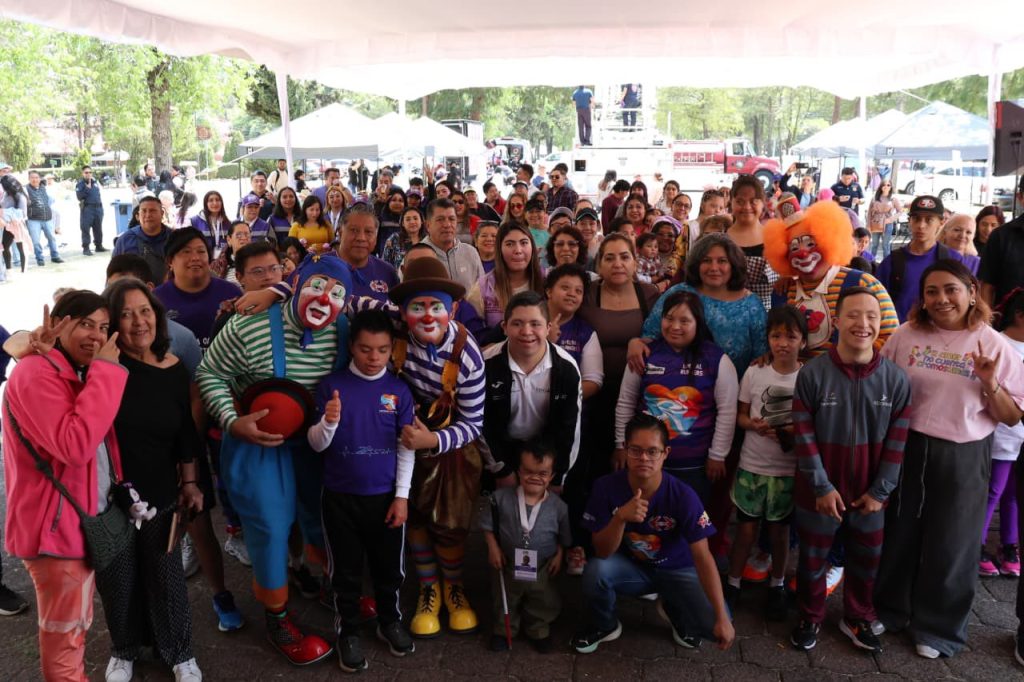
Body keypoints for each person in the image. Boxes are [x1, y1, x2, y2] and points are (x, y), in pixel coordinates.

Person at [197, 252, 356, 665]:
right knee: (269, 525)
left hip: (317, 444)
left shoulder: (346, 326)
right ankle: (277, 618)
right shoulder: (248, 325)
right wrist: (233, 421)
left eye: (337, 293)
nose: (325, 298)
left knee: (324, 518)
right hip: (259, 444)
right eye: (316, 286)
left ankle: (329, 586)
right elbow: (210, 373)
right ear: (297, 284)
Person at [875, 261, 1024, 659]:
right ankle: (890, 610)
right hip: (907, 448)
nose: (941, 299)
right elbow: (883, 383)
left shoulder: (992, 343)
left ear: (971, 292)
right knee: (900, 532)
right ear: (922, 299)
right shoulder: (906, 334)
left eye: (951, 289)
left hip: (963, 453)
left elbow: (1012, 416)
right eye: (932, 291)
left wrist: (990, 382)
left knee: (953, 543)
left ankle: (938, 629)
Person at [2, 291, 125, 681]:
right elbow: (75, 445)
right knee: (65, 640)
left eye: (103, 327)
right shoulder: (36, 373)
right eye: (85, 324)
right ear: (58, 323)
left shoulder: (61, 369)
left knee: (73, 632)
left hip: (68, 526)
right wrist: (106, 372)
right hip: (54, 533)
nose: (96, 335)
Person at [789, 286, 912, 654]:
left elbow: (897, 443)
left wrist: (880, 492)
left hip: (870, 496)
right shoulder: (812, 375)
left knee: (866, 560)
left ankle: (857, 616)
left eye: (872, 316)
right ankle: (810, 615)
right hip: (819, 493)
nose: (863, 323)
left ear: (881, 323)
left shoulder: (896, 380)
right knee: (812, 559)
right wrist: (821, 487)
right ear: (837, 321)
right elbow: (804, 438)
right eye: (854, 315)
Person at [98, 279, 206, 682]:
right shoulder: (103, 370)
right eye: (126, 314)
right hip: (110, 497)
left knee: (167, 577)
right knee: (118, 579)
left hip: (161, 491)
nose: (138, 322)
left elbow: (185, 432)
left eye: (144, 311)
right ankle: (124, 651)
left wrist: (190, 483)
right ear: (114, 323)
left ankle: (180, 654)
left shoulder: (173, 368)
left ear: (157, 316)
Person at [307, 309, 417, 672]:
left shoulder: (399, 390)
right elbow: (316, 444)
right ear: (352, 346)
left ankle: (390, 621)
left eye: (382, 350)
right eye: (365, 349)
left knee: (390, 570)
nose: (374, 358)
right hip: (339, 497)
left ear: (392, 349)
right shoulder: (331, 386)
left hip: (386, 499)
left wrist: (402, 496)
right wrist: (329, 421)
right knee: (346, 572)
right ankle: (349, 632)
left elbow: (406, 447)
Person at [573, 413, 735, 653]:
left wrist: (721, 617)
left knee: (716, 628)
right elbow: (602, 551)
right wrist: (620, 518)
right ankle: (605, 625)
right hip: (633, 569)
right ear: (625, 449)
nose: (644, 458)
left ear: (665, 453)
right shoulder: (605, 487)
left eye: (652, 451)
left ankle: (673, 606)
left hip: (677, 570)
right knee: (596, 571)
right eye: (635, 450)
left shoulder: (683, 495)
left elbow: (703, 557)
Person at [385, 257, 486, 639]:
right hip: (403, 441)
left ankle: (454, 588)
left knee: (451, 523)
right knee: (414, 519)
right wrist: (276, 290)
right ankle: (429, 588)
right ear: (401, 311)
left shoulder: (468, 356)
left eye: (436, 306)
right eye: (417, 307)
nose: (428, 315)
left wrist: (434, 440)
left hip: (452, 447)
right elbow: (350, 300)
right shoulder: (393, 330)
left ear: (453, 309)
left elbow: (474, 424)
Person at [616, 289, 738, 504]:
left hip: (695, 465)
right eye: (669, 318)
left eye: (684, 321)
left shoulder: (717, 359)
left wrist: (718, 455)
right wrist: (620, 445)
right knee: (643, 519)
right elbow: (626, 403)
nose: (675, 326)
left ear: (698, 323)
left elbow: (727, 411)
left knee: (689, 519)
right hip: (645, 461)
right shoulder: (644, 354)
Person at [724, 306, 807, 620]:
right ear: (768, 339)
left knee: (780, 533)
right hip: (752, 466)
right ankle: (732, 584)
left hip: (786, 470)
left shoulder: (808, 377)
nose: (782, 343)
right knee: (745, 531)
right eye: (776, 336)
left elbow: (813, 423)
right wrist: (753, 425)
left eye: (791, 337)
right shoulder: (754, 372)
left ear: (803, 341)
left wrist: (792, 432)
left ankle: (777, 585)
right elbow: (740, 415)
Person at [764, 196, 898, 357]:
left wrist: (857, 360)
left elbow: (891, 337)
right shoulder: (783, 291)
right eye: (793, 248)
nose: (802, 253)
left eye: (810, 244)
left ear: (829, 242)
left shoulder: (864, 283)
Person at [482, 291, 582, 486]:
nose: (526, 331)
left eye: (535, 324)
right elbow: (482, 424)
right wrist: (500, 469)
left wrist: (557, 478)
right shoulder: (486, 364)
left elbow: (570, 429)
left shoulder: (567, 368)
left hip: (547, 452)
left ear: (548, 328)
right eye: (517, 323)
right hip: (499, 451)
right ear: (504, 327)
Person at [635, 233, 768, 379]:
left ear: (734, 264)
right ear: (697, 264)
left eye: (722, 261)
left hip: (736, 389)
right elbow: (650, 336)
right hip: (674, 386)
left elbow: (761, 357)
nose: (714, 267)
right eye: (706, 260)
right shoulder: (678, 293)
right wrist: (636, 343)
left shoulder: (751, 305)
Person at [480, 441, 572, 652]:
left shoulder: (559, 507)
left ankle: (538, 630)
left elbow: (563, 536)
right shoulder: (500, 499)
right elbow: (487, 526)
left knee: (543, 599)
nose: (535, 477)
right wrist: (493, 548)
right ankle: (504, 630)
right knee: (505, 597)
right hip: (507, 562)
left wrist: (560, 554)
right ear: (519, 471)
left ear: (551, 476)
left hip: (543, 565)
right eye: (528, 471)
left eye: (542, 473)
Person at [978, 287, 1024, 578]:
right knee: (992, 492)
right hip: (1000, 437)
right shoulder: (999, 344)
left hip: (1019, 439)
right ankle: (976, 546)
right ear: (1019, 315)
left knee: (1013, 494)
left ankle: (1009, 546)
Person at [876, 195, 965, 322]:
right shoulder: (892, 262)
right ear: (909, 221)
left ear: (941, 222)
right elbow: (877, 303)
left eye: (929, 220)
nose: (921, 225)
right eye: (916, 219)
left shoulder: (953, 260)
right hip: (900, 332)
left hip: (941, 331)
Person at [154, 227, 243, 351]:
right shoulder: (155, 300)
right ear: (170, 261)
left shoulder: (231, 293)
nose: (195, 258)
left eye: (201, 251)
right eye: (186, 252)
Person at [467, 222, 545, 338]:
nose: (518, 250)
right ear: (499, 249)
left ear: (532, 247)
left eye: (524, 243)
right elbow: (474, 335)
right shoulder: (483, 287)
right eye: (509, 244)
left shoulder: (548, 280)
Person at [336, 206, 399, 303]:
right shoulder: (320, 266)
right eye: (354, 230)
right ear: (340, 233)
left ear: (376, 238)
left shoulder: (388, 272)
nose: (361, 238)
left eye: (368, 232)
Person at [421, 198, 485, 291]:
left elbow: (483, 291)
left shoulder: (470, 252)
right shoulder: (417, 255)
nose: (447, 225)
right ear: (428, 225)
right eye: (440, 220)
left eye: (451, 219)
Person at [112, 195, 173, 283]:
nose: (148, 215)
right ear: (138, 216)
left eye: (152, 211)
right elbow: (114, 273)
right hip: (134, 289)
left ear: (162, 213)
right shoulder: (125, 240)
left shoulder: (174, 238)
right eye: (144, 211)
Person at [24, 170, 63, 266]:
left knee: (52, 238)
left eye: (36, 177)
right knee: (36, 241)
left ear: (40, 178)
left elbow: (51, 200)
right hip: (33, 220)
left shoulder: (44, 188)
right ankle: (40, 258)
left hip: (47, 218)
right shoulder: (25, 189)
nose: (35, 179)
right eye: (32, 177)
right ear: (29, 179)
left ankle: (55, 256)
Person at [382, 206, 427, 271]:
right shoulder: (394, 238)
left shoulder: (428, 239)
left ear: (422, 221)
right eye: (408, 219)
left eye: (415, 218)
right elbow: (385, 264)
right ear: (403, 223)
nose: (412, 222)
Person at [0, 175, 29, 273]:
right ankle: (9, 270)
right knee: (5, 246)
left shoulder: (20, 196)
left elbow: (22, 214)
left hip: (19, 225)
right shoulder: (6, 194)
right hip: (8, 224)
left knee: (21, 248)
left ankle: (23, 271)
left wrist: (5, 212)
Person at [75, 165, 106, 255]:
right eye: (86, 172)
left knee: (98, 228)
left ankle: (98, 246)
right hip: (88, 209)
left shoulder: (95, 182)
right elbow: (79, 197)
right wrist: (87, 189)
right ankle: (86, 248)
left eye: (90, 172)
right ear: (83, 173)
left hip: (98, 208)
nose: (88, 174)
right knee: (85, 228)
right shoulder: (80, 184)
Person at [190, 190, 232, 257]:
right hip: (202, 259)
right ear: (206, 204)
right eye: (211, 200)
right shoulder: (194, 221)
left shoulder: (228, 223)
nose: (215, 203)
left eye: (217, 200)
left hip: (222, 260)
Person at [867, 179, 901, 259]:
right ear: (881, 186)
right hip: (876, 222)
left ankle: (887, 263)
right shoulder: (875, 197)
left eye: (888, 185)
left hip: (887, 224)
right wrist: (868, 225)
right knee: (874, 244)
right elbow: (869, 212)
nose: (886, 187)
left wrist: (891, 219)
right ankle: (871, 262)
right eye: (884, 185)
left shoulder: (893, 199)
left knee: (886, 245)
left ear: (891, 187)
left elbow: (900, 211)